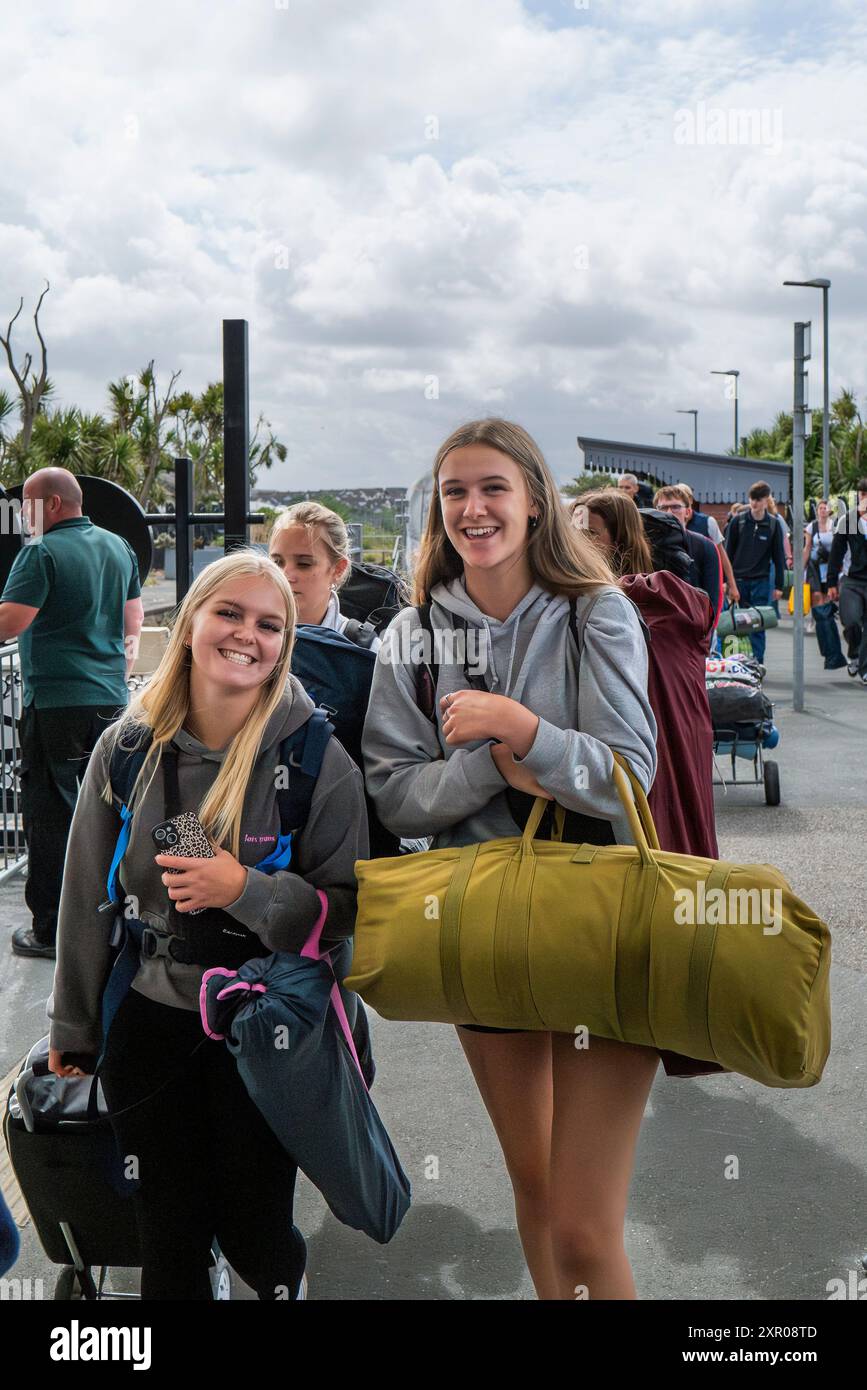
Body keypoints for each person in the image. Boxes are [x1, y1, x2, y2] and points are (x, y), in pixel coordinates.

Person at [363, 417, 659, 1301]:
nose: (472, 507)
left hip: (598, 917)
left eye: (492, 487)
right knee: (533, 1191)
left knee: (579, 1218)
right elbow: (392, 792)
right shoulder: (412, 633)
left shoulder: (595, 610)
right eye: (454, 491)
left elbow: (627, 777)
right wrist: (485, 766)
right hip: (479, 922)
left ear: (535, 501)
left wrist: (523, 732)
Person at [46, 551, 368, 1299]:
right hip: (153, 1020)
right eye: (228, 612)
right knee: (167, 1233)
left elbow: (346, 917)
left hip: (269, 1030)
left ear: (286, 642)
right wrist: (74, 1028)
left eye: (269, 624)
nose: (245, 635)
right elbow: (85, 898)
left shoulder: (319, 762)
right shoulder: (127, 750)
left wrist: (245, 890)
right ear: (188, 620)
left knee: (256, 1229)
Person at [0, 468, 143, 959]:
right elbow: (133, 621)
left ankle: (51, 930)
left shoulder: (39, 553)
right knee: (110, 812)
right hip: (111, 701)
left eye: (28, 506)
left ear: (54, 505)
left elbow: (9, 622)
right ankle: (115, 917)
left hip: (57, 704)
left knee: (52, 814)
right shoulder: (118, 547)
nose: (21, 516)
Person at [574, 490, 718, 860]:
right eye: (572, 532)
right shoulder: (582, 601)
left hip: (664, 744)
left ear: (619, 540)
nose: (577, 543)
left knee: (665, 855)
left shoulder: (662, 597)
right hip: (636, 746)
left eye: (590, 533)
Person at [268, 501, 380, 651]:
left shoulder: (363, 649)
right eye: (277, 562)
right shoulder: (247, 637)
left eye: (304, 564)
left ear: (338, 569)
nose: (285, 575)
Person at [723, 481, 786, 663]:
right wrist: (727, 580)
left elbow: (779, 556)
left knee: (757, 623)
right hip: (739, 581)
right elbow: (728, 553)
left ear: (766, 500)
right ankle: (737, 659)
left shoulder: (773, 524)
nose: (754, 503)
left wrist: (779, 585)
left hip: (761, 580)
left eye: (759, 499)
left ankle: (757, 661)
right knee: (738, 622)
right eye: (752, 499)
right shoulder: (738, 522)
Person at [653, 486, 723, 630]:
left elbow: (714, 596)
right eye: (663, 508)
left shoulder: (705, 546)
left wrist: (708, 632)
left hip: (694, 629)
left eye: (676, 507)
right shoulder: (646, 545)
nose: (669, 512)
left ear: (688, 512)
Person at [827, 478, 867, 684]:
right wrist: (831, 583)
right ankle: (855, 654)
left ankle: (864, 668)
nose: (864, 499)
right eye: (861, 495)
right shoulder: (848, 521)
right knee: (851, 621)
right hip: (852, 581)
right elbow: (836, 554)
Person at [677, 483, 739, 605]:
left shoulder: (708, 522)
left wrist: (732, 585)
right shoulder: (666, 523)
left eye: (683, 497)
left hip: (705, 585)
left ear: (690, 499)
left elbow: (722, 555)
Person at [803, 500, 846, 670]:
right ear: (817, 511)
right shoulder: (811, 527)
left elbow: (842, 547)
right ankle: (830, 652)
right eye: (820, 508)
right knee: (819, 605)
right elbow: (807, 548)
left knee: (827, 605)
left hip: (830, 570)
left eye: (825, 508)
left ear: (829, 510)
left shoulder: (836, 525)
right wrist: (801, 570)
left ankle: (832, 652)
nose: (822, 510)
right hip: (814, 569)